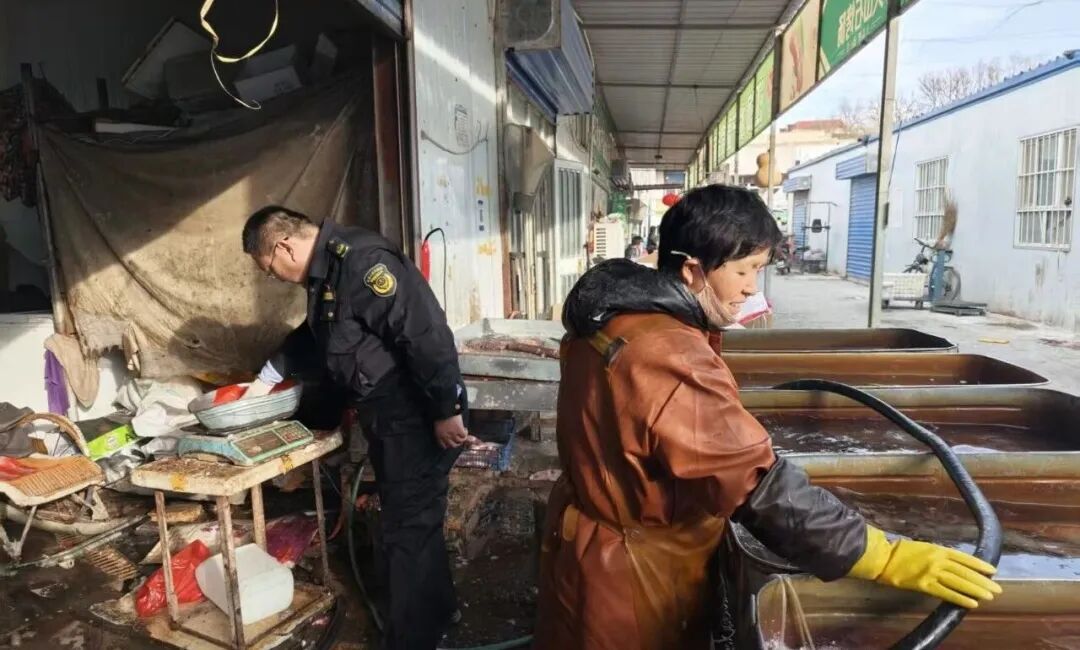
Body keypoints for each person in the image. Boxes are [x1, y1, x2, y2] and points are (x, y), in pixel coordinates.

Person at [534, 185, 1001, 650]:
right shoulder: (671, 354)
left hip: (589, 544)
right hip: (633, 576)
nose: (751, 287)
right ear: (693, 271)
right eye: (743, 270)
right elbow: (758, 488)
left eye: (758, 269)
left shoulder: (615, 318)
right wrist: (882, 555)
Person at [241, 206, 468, 649]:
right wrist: (267, 376)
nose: (274, 278)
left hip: (415, 417)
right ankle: (440, 612)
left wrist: (447, 408)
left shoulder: (362, 263)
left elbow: (423, 332)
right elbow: (317, 335)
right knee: (417, 522)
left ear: (284, 247)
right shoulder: (328, 274)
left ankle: (413, 640)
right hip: (388, 418)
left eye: (268, 268)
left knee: (406, 529)